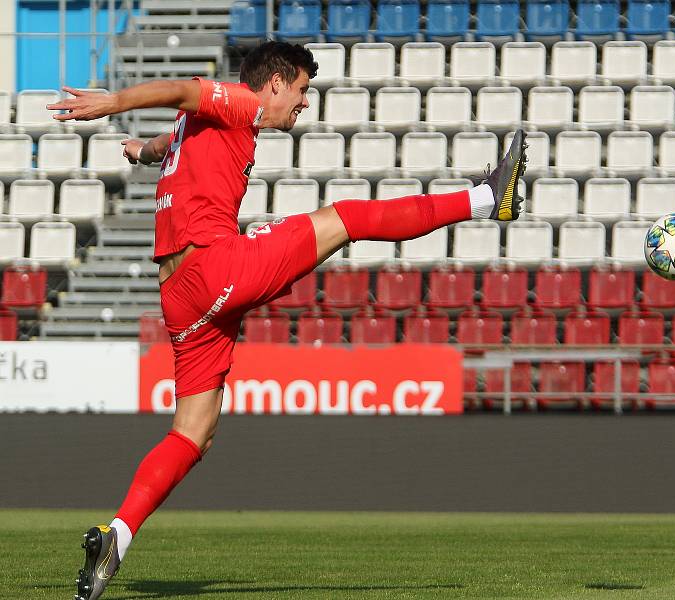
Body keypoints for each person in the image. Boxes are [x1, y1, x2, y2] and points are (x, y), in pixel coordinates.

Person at [49, 41, 527, 600]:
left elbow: (169, 138)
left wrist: (141, 151)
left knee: (192, 432)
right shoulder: (239, 103)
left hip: (181, 296)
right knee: (347, 218)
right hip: (214, 267)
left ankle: (117, 536)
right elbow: (180, 88)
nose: (303, 105)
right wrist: (112, 104)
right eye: (301, 90)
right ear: (273, 83)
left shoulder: (200, 124)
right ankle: (486, 198)